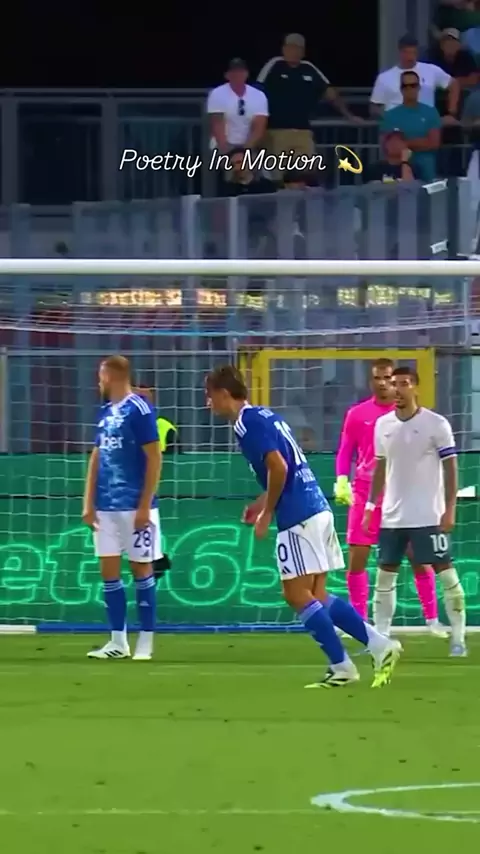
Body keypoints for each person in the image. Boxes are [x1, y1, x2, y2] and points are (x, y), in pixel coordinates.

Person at [205, 364, 402, 689]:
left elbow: (280, 467)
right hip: (316, 507)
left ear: (224, 394)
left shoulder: (246, 424)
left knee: (296, 594)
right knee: (317, 595)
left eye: (210, 395)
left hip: (298, 515)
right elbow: (286, 468)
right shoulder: (266, 415)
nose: (208, 402)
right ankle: (379, 645)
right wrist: (261, 503)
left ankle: (342, 666)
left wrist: (267, 513)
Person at [335, 358, 446, 636]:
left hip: (401, 494)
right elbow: (346, 450)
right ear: (371, 381)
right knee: (357, 558)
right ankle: (358, 621)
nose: (384, 384)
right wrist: (342, 480)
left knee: (419, 558)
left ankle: (432, 619)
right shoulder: (357, 414)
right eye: (378, 378)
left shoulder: (413, 417)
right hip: (364, 492)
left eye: (388, 378)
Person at [364, 366, 467, 657]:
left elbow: (451, 468)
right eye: (393, 383)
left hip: (428, 516)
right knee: (384, 578)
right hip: (392, 517)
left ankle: (458, 637)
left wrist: (449, 508)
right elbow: (381, 467)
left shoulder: (436, 424)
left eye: (404, 383)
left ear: (415, 388)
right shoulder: (382, 425)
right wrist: (371, 506)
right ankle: (381, 638)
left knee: (446, 574)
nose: (397, 389)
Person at [82, 356, 162, 661]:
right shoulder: (105, 413)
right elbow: (96, 456)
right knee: (108, 573)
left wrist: (145, 505)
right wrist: (88, 502)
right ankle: (118, 641)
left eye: (100, 376)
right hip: (106, 507)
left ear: (111, 377)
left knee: (141, 569)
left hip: (135, 507)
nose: (98, 382)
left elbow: (155, 457)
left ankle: (146, 641)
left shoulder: (139, 409)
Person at [370, 34, 459, 120]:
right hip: (397, 124)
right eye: (407, 52)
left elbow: (454, 84)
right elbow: (375, 106)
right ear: (400, 52)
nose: (410, 56)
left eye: (413, 52)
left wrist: (451, 112)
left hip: (427, 123)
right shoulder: (384, 78)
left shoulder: (431, 70)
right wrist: (387, 118)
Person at [380, 71, 441, 183]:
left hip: (426, 172)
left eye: (413, 85)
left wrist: (404, 144)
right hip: (398, 175)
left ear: (418, 87)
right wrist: (421, 142)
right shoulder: (390, 115)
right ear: (401, 89)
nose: (409, 89)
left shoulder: (431, 112)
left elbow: (434, 143)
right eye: (405, 86)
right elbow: (388, 147)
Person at [207, 58, 268, 155]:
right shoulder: (217, 93)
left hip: (249, 146)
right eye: (234, 72)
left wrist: (244, 151)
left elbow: (258, 128)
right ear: (227, 75)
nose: (238, 75)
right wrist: (230, 153)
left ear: (247, 74)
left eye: (241, 72)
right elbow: (218, 125)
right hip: (223, 146)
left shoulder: (259, 95)